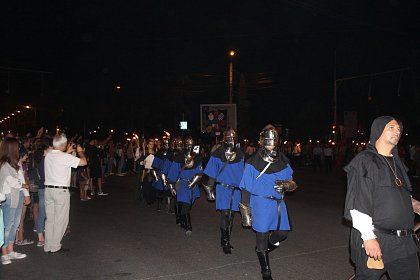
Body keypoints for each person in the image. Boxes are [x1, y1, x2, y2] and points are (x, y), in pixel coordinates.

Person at [344, 116, 419, 280]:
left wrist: (415, 205)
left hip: (405, 242)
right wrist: (369, 238)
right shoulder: (365, 161)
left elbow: (399, 196)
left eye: (399, 128)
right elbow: (358, 203)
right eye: (391, 127)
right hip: (378, 239)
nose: (397, 131)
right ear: (378, 130)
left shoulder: (398, 163)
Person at [239, 125, 297, 280]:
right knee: (262, 237)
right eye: (268, 141)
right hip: (260, 203)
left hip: (278, 203)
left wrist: (288, 185)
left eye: (273, 141)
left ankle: (263, 248)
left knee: (283, 233)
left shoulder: (282, 160)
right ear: (262, 142)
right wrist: (246, 212)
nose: (271, 144)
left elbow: (292, 182)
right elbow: (245, 188)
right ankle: (266, 272)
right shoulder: (252, 162)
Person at [203, 127, 244, 254]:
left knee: (231, 216)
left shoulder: (240, 154)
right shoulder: (218, 153)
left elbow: (243, 173)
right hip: (222, 188)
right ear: (224, 139)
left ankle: (226, 238)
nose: (231, 140)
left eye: (233, 138)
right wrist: (210, 189)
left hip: (236, 190)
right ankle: (225, 241)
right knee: (225, 214)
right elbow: (211, 173)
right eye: (229, 137)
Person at [43, 133, 87, 254]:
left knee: (50, 219)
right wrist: (80, 151)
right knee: (60, 220)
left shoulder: (48, 155)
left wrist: (67, 152)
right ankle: (55, 246)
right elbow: (83, 162)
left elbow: (60, 159)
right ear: (63, 144)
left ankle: (48, 245)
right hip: (60, 191)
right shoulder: (64, 157)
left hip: (48, 190)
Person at [0, 137, 31, 265]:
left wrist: (26, 193)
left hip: (18, 195)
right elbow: (10, 180)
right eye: (17, 147)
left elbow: (21, 179)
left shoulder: (15, 162)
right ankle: (4, 253)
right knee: (7, 225)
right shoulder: (4, 164)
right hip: (9, 197)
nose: (19, 149)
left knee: (15, 224)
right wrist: (24, 186)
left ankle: (11, 250)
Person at [167, 137, 202, 236]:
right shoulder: (179, 157)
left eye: (191, 146)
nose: (190, 147)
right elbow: (173, 173)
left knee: (189, 205)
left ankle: (182, 219)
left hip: (193, 185)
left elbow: (199, 173)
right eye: (188, 145)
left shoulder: (197, 158)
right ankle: (188, 226)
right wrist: (172, 187)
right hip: (182, 185)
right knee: (186, 205)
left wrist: (193, 183)